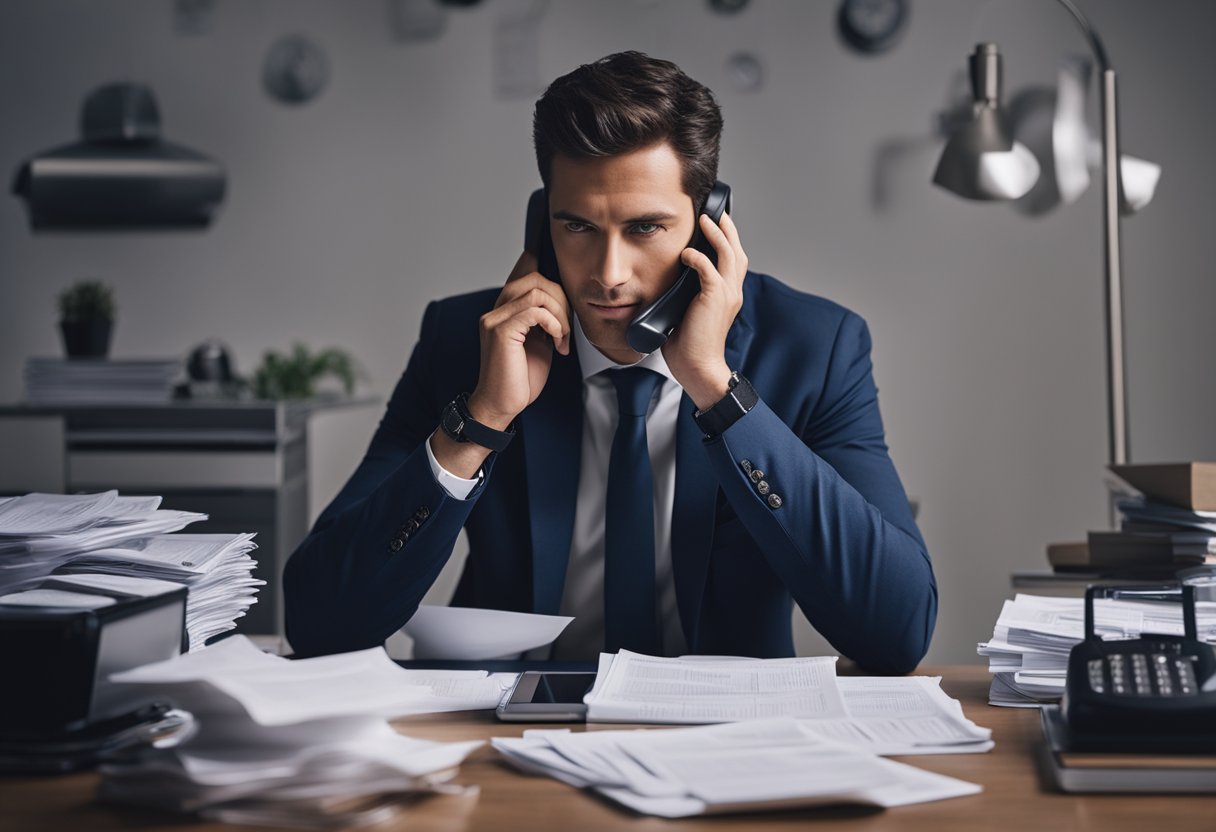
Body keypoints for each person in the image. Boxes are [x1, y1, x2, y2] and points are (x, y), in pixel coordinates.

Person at [283, 51, 936, 673]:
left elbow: (896, 632)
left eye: (644, 228)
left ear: (710, 224)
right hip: (505, 735)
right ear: (542, 226)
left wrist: (718, 389)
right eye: (578, 228)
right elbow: (319, 625)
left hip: (723, 738)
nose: (608, 276)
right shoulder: (465, 342)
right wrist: (481, 420)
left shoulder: (813, 348)